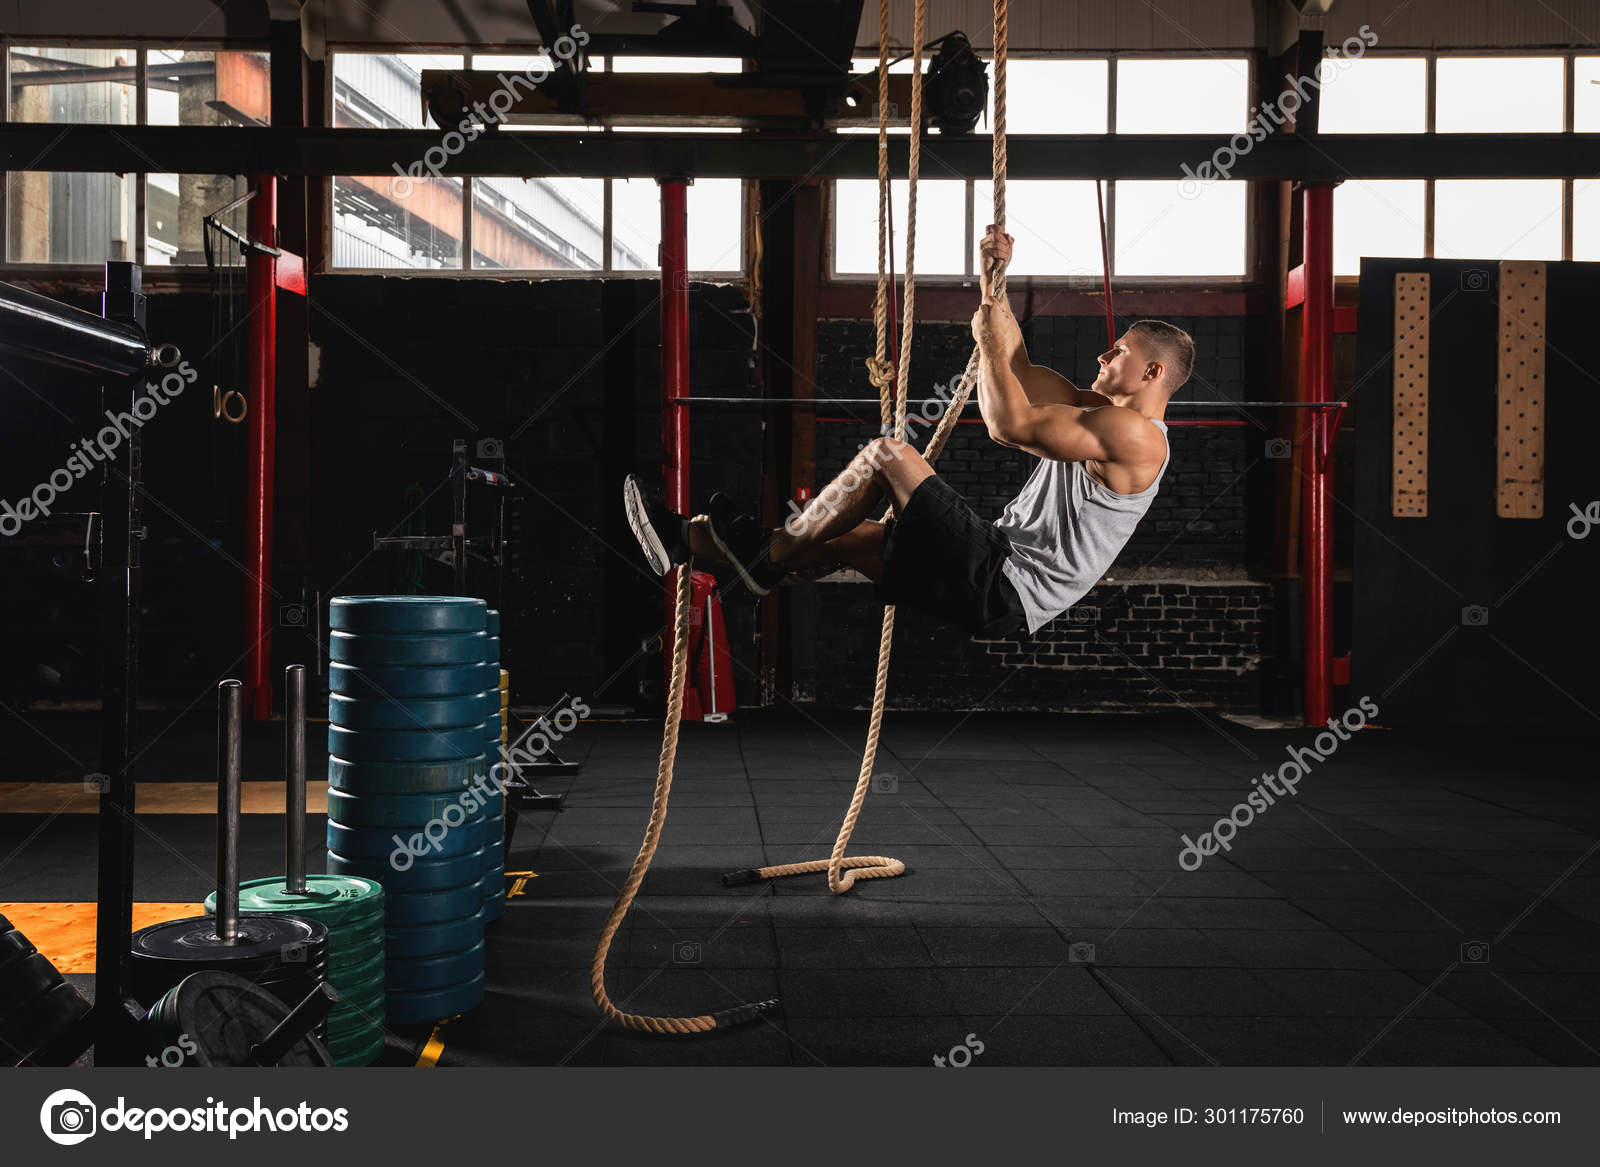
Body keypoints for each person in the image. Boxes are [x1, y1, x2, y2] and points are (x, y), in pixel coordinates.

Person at [624, 225, 1192, 638]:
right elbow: (1017, 367)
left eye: (1118, 350)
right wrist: (994, 283)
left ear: (1152, 372)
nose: (1103, 352)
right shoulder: (1099, 411)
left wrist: (989, 338)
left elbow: (1008, 424)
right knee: (846, 540)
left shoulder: (1138, 436)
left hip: (1006, 580)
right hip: (995, 578)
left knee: (886, 457)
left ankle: (763, 558)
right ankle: (689, 541)